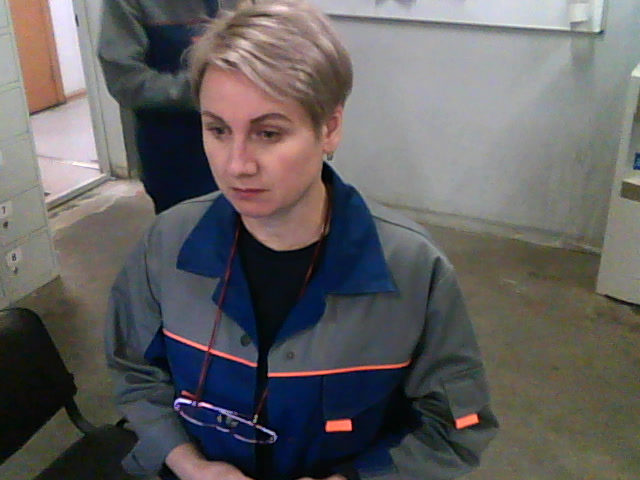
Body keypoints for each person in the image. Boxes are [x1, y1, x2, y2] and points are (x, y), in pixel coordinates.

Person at [105, 1, 499, 479]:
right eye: (218, 129)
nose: (237, 165)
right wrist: (189, 465)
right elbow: (136, 374)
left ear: (329, 128)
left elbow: (455, 425)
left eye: (269, 133)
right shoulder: (165, 246)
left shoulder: (413, 269)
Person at [98, 0, 226, 213]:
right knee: (188, 227)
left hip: (242, 146)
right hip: (178, 156)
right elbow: (125, 82)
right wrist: (210, 85)